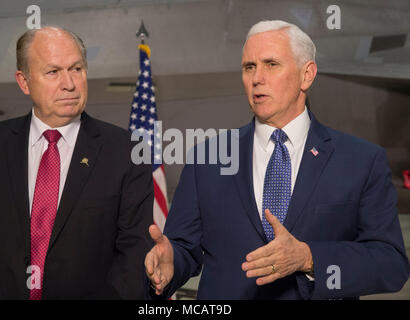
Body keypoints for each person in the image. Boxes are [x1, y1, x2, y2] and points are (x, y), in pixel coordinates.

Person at [145, 20, 410, 299]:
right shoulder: (207, 159)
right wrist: (171, 264)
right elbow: (185, 249)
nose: (257, 78)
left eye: (271, 64)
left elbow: (389, 263)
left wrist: (309, 259)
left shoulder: (361, 161)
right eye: (249, 67)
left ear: (307, 75)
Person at [0, 26, 154, 299]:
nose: (70, 84)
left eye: (76, 68)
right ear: (23, 81)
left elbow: (132, 258)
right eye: (53, 72)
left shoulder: (127, 152)